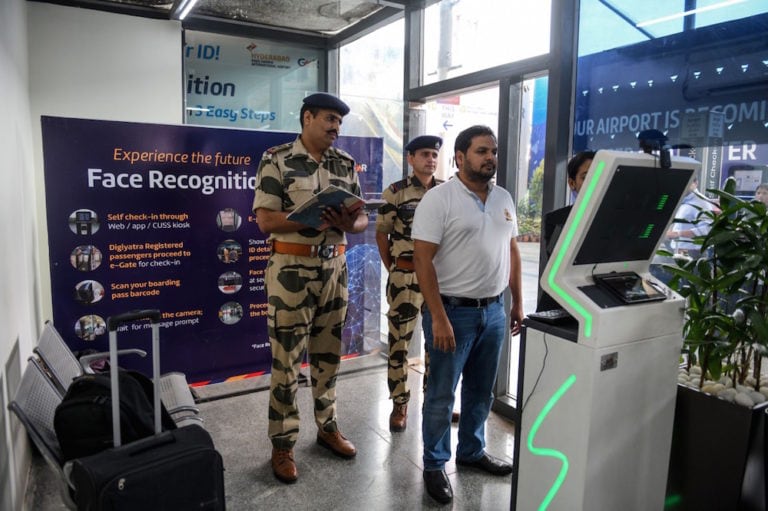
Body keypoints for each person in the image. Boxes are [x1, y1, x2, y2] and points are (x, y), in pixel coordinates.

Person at [252, 92, 369, 484]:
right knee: (286, 362)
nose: (336, 127)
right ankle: (282, 444)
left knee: (328, 356)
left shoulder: (345, 164)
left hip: (334, 269)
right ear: (307, 117)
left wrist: (345, 221)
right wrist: (310, 220)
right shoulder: (277, 159)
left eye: (339, 122)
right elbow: (266, 221)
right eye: (329, 119)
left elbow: (361, 222)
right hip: (290, 271)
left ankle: (327, 427)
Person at [412, 125, 523, 504]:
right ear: (460, 157)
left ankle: (471, 452)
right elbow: (422, 260)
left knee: (481, 391)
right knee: (442, 393)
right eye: (481, 151)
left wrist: (518, 303)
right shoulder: (439, 199)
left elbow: (512, 252)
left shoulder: (504, 197)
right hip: (452, 312)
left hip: (493, 311)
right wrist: (438, 316)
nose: (490, 157)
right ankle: (434, 463)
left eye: (493, 151)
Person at [376, 135, 444, 432]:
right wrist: (394, 268)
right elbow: (382, 234)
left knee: (438, 344)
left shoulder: (447, 192)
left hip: (440, 281)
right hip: (404, 277)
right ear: (411, 159)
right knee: (399, 343)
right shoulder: (396, 193)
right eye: (425, 154)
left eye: (434, 155)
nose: (431, 159)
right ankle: (400, 403)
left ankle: (434, 401)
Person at [537, 150, 595, 311]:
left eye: (598, 174)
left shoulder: (612, 219)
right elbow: (559, 266)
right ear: (572, 183)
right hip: (561, 305)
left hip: (598, 304)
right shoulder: (556, 219)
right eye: (585, 177)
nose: (593, 181)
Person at [665, 176, 718, 259]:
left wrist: (677, 234)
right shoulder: (683, 200)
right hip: (678, 250)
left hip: (693, 253)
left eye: (687, 182)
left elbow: (708, 229)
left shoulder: (701, 202)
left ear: (696, 183)